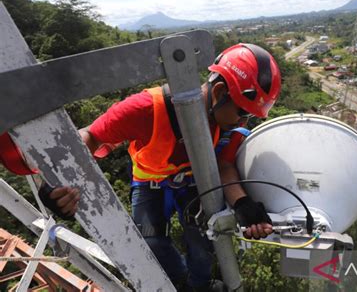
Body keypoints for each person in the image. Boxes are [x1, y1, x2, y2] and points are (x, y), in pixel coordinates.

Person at [38, 43, 281, 291]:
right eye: (242, 113)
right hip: (149, 182)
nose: (243, 121)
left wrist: (243, 205)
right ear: (219, 92)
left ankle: (199, 285)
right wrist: (57, 178)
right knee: (151, 240)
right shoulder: (146, 110)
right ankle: (178, 281)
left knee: (201, 239)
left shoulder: (227, 129)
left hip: (191, 181)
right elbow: (92, 135)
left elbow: (224, 165)